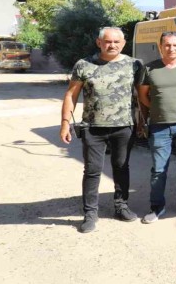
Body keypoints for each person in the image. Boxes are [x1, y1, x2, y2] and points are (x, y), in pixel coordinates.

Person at [59, 27, 143, 233]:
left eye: (116, 42)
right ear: (99, 42)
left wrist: (142, 121)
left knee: (122, 167)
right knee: (93, 171)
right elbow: (71, 94)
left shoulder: (134, 65)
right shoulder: (84, 64)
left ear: (124, 43)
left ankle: (121, 206)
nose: (112, 45)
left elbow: (141, 95)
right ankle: (90, 214)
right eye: (107, 41)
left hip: (124, 127)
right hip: (93, 128)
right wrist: (64, 123)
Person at [137, 31, 176, 223]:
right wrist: (155, 110)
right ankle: (157, 206)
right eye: (167, 45)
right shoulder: (149, 69)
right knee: (158, 169)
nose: (171, 48)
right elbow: (143, 95)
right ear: (160, 46)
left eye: (175, 45)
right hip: (159, 127)